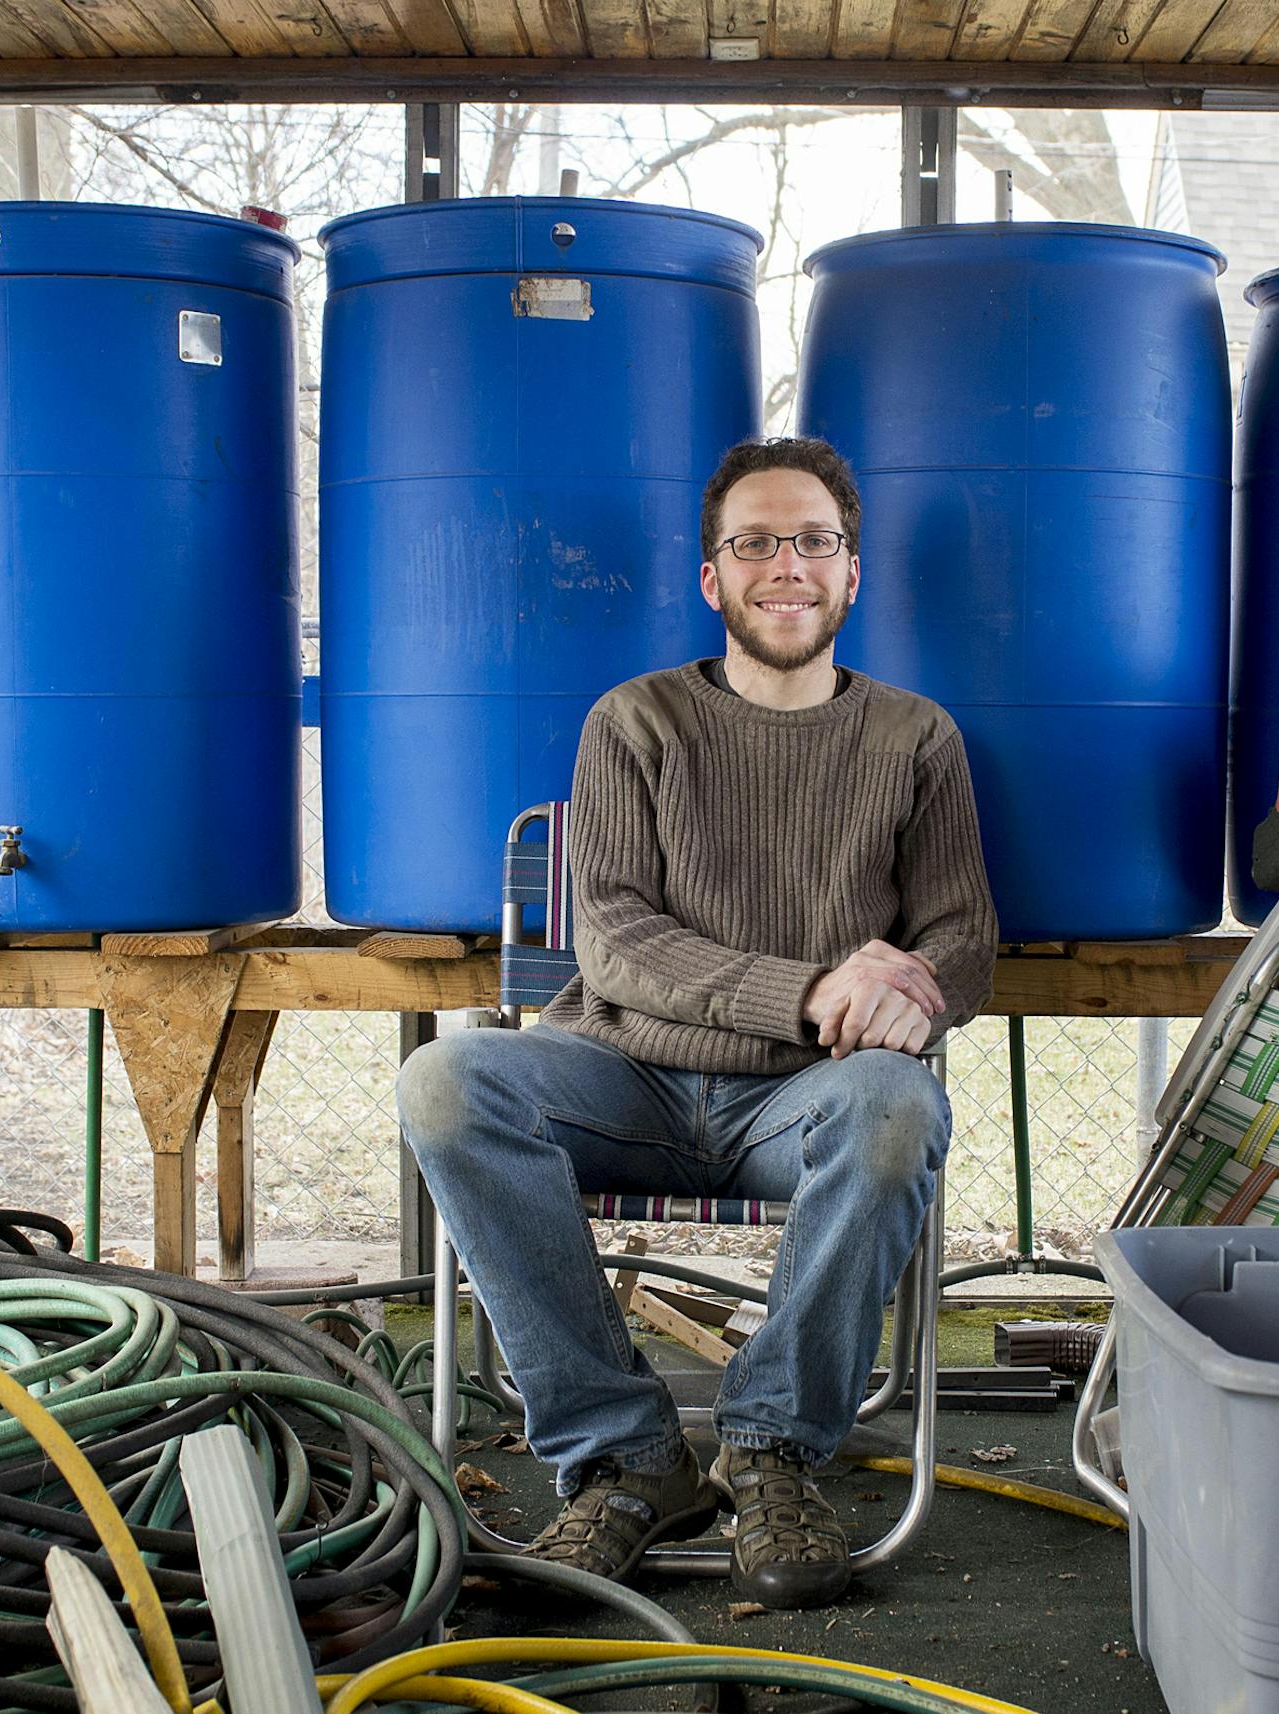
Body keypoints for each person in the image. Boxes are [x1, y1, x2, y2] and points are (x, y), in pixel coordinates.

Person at [397, 435, 996, 1609]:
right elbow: (618, 942)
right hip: (622, 1077)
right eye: (756, 543)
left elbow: (961, 940)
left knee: (897, 1107)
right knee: (446, 1081)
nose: (788, 565)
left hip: (810, 1097)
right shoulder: (636, 722)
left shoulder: (915, 739)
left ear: (853, 571)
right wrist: (813, 989)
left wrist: (913, 985)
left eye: (814, 540)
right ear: (713, 578)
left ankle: (773, 1448)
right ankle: (626, 1458)